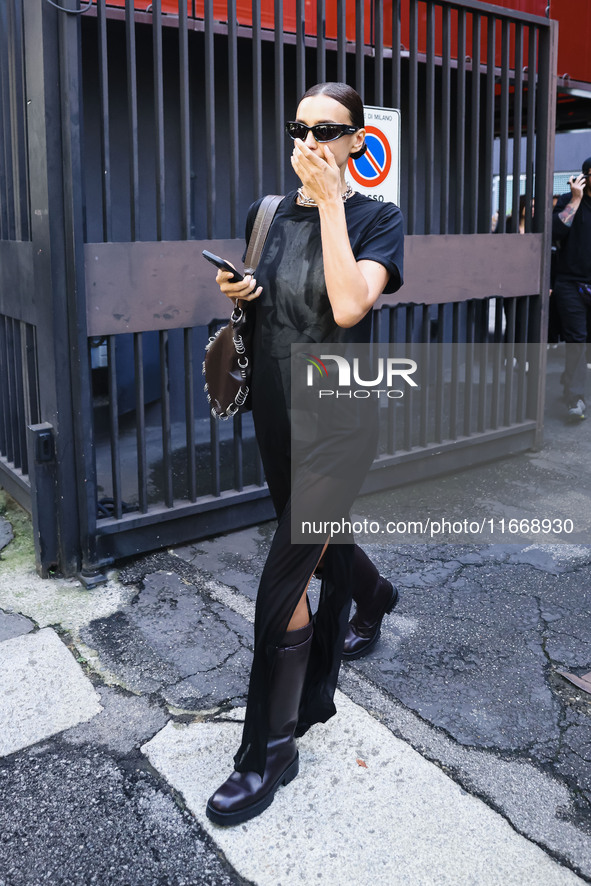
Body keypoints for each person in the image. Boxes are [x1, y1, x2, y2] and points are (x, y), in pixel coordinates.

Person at [204, 82, 404, 826]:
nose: (313, 140)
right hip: (277, 414)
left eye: (331, 129)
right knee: (317, 543)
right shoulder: (267, 213)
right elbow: (273, 303)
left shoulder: (377, 218)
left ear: (357, 139)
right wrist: (244, 289)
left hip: (340, 415)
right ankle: (376, 595)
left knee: (282, 580)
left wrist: (328, 203)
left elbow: (350, 304)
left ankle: (270, 749)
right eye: (301, 127)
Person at [552, 159, 591, 421]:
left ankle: (570, 380)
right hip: (570, 282)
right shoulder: (569, 200)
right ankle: (575, 397)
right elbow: (554, 232)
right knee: (577, 338)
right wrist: (575, 200)